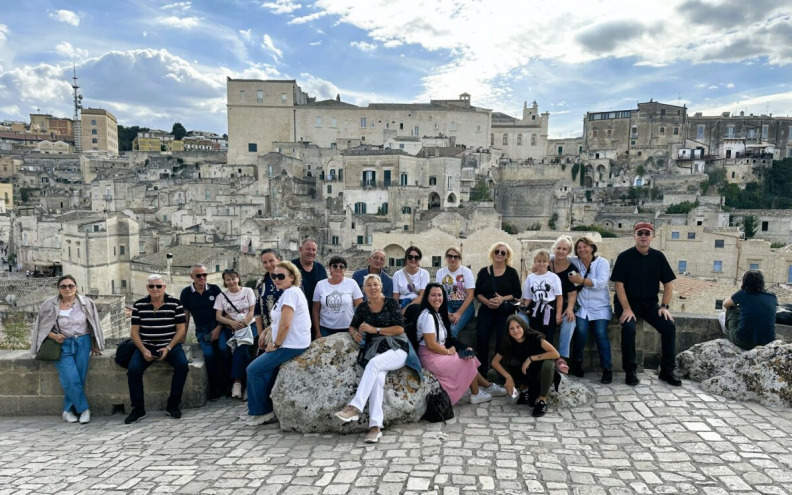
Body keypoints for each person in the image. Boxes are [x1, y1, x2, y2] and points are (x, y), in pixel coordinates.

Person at [335, 274, 422, 444]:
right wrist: (354, 333)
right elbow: (352, 326)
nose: (373, 288)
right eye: (369, 285)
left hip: (397, 348)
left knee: (373, 364)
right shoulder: (362, 307)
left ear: (381, 286)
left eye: (375, 284)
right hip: (377, 350)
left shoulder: (391, 303)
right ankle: (375, 427)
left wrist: (375, 330)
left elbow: (399, 329)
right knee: (377, 380)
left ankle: (355, 406)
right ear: (364, 289)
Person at [611, 222, 681, 387]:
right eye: (640, 233)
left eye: (647, 233)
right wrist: (626, 309)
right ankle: (630, 370)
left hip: (649, 304)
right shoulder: (624, 257)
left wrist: (664, 306)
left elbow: (668, 284)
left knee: (669, 327)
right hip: (627, 303)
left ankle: (667, 370)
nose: (643, 236)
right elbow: (618, 285)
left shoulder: (658, 257)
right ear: (634, 236)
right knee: (629, 328)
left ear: (652, 236)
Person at [30, 275, 105, 424]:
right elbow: (41, 327)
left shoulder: (86, 302)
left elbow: (93, 324)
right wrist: (54, 336)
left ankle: (67, 410)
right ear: (58, 289)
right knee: (70, 378)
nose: (67, 289)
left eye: (70, 286)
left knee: (79, 378)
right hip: (61, 344)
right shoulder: (49, 304)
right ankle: (84, 410)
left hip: (83, 343)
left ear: (76, 287)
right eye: (63, 286)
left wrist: (94, 343)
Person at [415, 283, 506, 405]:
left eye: (439, 295)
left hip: (437, 353)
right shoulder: (428, 317)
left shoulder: (437, 314)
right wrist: (448, 352)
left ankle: (488, 386)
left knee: (468, 354)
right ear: (427, 297)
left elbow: (448, 338)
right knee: (468, 360)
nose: (437, 298)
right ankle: (476, 394)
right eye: (433, 295)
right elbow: (431, 344)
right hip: (431, 357)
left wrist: (464, 347)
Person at [245, 261, 311, 425]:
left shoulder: (290, 294)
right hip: (291, 342)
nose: (276, 279)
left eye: (281, 276)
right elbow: (280, 320)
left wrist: (275, 344)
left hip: (290, 345)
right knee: (264, 370)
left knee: (253, 370)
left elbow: (286, 324)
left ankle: (262, 411)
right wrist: (266, 331)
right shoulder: (290, 292)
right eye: (274, 276)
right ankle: (260, 409)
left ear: (292, 277)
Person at [126, 274, 188, 424]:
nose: (155, 289)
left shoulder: (175, 304)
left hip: (170, 345)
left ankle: (173, 405)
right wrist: (143, 350)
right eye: (151, 286)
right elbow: (134, 332)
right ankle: (138, 409)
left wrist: (168, 347)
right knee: (133, 370)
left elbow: (181, 330)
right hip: (146, 346)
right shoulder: (139, 305)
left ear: (164, 287)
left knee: (182, 366)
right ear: (147, 288)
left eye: (159, 286)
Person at [491, 315, 561, 417]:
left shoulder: (535, 337)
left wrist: (531, 358)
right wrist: (508, 377)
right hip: (524, 374)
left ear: (523, 327)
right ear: (508, 331)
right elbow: (494, 362)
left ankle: (542, 400)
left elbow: (555, 354)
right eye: (512, 328)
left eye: (518, 327)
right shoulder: (508, 342)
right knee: (492, 374)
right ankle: (524, 389)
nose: (515, 331)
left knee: (549, 364)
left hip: (539, 374)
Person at [568, 236, 613, 383]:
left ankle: (607, 368)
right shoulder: (575, 262)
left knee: (600, 333)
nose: (582, 250)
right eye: (579, 247)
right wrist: (539, 262)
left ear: (592, 248)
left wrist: (581, 280)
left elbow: (601, 283)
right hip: (582, 307)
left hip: (600, 307)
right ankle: (577, 362)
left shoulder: (602, 263)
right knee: (580, 332)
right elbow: (556, 256)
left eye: (585, 246)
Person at [474, 242, 522, 375]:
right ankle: (483, 368)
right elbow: (477, 292)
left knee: (502, 339)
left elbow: (517, 293)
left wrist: (502, 299)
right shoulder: (484, 272)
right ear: (492, 253)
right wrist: (487, 302)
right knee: (482, 337)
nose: (499, 254)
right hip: (487, 309)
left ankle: (496, 370)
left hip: (504, 310)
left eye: (503, 252)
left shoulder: (511, 272)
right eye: (497, 251)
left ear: (507, 256)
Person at [180, 264, 224, 400]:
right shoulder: (186, 293)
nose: (202, 278)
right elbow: (185, 315)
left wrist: (219, 327)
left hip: (218, 327)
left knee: (224, 350)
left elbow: (223, 310)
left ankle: (228, 384)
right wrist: (183, 335)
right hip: (202, 330)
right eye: (198, 275)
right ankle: (215, 388)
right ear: (192, 276)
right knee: (209, 355)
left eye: (204, 275)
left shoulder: (214, 289)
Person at [214, 268, 256, 399]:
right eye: (228, 279)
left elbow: (252, 311)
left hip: (249, 326)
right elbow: (218, 316)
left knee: (242, 348)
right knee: (228, 349)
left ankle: (237, 382)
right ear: (224, 281)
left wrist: (244, 323)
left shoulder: (248, 291)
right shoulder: (221, 296)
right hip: (232, 327)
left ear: (238, 278)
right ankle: (245, 385)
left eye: (233, 278)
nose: (231, 282)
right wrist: (232, 323)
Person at [721, 270, 777, 350]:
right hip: (767, 343)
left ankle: (728, 331)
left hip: (744, 342)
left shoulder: (743, 293)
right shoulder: (772, 296)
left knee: (731, 309)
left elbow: (725, 304)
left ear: (745, 282)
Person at [546, 236, 579, 373]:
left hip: (563, 303)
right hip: (545, 302)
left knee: (570, 321)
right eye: (558, 248)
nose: (560, 251)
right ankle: (546, 355)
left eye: (564, 249)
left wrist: (570, 309)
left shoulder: (572, 269)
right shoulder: (547, 264)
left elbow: (572, 292)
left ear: (569, 251)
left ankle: (561, 357)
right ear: (554, 249)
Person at [312, 255, 363, 338]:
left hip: (348, 328)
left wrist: (356, 327)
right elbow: (315, 310)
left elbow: (360, 307)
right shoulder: (320, 285)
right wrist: (317, 331)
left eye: (341, 266)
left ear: (345, 270)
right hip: (325, 329)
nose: (338, 268)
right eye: (335, 266)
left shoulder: (352, 283)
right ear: (330, 268)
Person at [520, 249, 563, 347]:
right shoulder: (530, 278)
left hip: (549, 310)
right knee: (535, 335)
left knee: (548, 336)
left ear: (548, 263)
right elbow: (528, 297)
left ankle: (548, 356)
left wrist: (558, 314)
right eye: (539, 261)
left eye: (544, 261)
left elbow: (559, 297)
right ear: (535, 262)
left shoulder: (554, 277)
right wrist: (523, 308)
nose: (541, 264)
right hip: (535, 311)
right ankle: (535, 355)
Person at [436, 247, 476, 337]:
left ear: (459, 258)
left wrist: (459, 313)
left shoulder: (466, 272)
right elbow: (438, 294)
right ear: (446, 257)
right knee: (440, 327)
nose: (452, 259)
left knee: (453, 329)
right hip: (447, 305)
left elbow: (470, 295)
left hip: (464, 305)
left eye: (456, 256)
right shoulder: (441, 272)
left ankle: (451, 346)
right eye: (450, 256)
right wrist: (445, 312)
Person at [291, 238, 327, 331]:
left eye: (314, 250)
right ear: (300, 249)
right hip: (297, 317)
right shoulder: (291, 267)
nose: (311, 252)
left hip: (318, 317)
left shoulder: (320, 268)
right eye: (308, 249)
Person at [254, 249, 283, 344]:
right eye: (265, 262)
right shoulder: (261, 283)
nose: (268, 265)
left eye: (271, 261)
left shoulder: (290, 280)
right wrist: (261, 335)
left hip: (286, 332)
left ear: (278, 260)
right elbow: (257, 312)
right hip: (267, 336)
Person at [393, 246, 430, 310]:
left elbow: (422, 296)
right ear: (406, 258)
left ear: (419, 259)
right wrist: (397, 311)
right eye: (410, 257)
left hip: (417, 304)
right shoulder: (397, 275)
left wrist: (406, 308)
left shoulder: (424, 274)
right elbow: (395, 296)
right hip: (402, 304)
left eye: (416, 257)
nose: (413, 259)